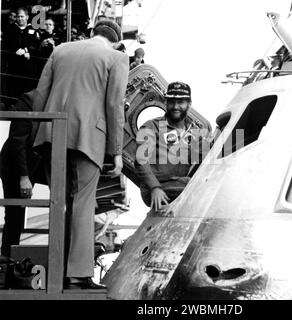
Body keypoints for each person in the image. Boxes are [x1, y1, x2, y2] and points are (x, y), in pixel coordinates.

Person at [33, 19, 129, 289]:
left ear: (92, 33)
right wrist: (116, 152)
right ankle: (77, 275)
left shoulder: (61, 50)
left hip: (52, 133)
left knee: (58, 204)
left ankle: (56, 269)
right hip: (88, 139)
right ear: (116, 40)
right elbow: (114, 105)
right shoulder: (117, 57)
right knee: (84, 204)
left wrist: (38, 133)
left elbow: (41, 93)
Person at [135, 81, 211, 212]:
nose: (175, 106)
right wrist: (155, 188)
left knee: (209, 188)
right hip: (156, 188)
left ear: (189, 104)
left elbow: (205, 158)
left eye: (180, 102)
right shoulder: (151, 127)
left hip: (180, 183)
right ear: (166, 103)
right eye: (171, 102)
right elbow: (141, 161)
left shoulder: (194, 132)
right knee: (199, 191)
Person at [0, 89, 46, 258]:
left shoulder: (59, 97)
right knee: (14, 214)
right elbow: (17, 142)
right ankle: (7, 260)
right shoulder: (28, 100)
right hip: (15, 164)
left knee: (64, 196)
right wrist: (24, 177)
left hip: (38, 160)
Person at [3, 7, 41, 100]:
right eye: (18, 16)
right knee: (13, 90)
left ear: (27, 17)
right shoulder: (10, 29)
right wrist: (15, 50)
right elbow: (6, 45)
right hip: (14, 66)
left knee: (28, 91)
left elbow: (36, 46)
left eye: (22, 16)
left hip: (28, 67)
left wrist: (26, 51)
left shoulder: (33, 29)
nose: (20, 18)